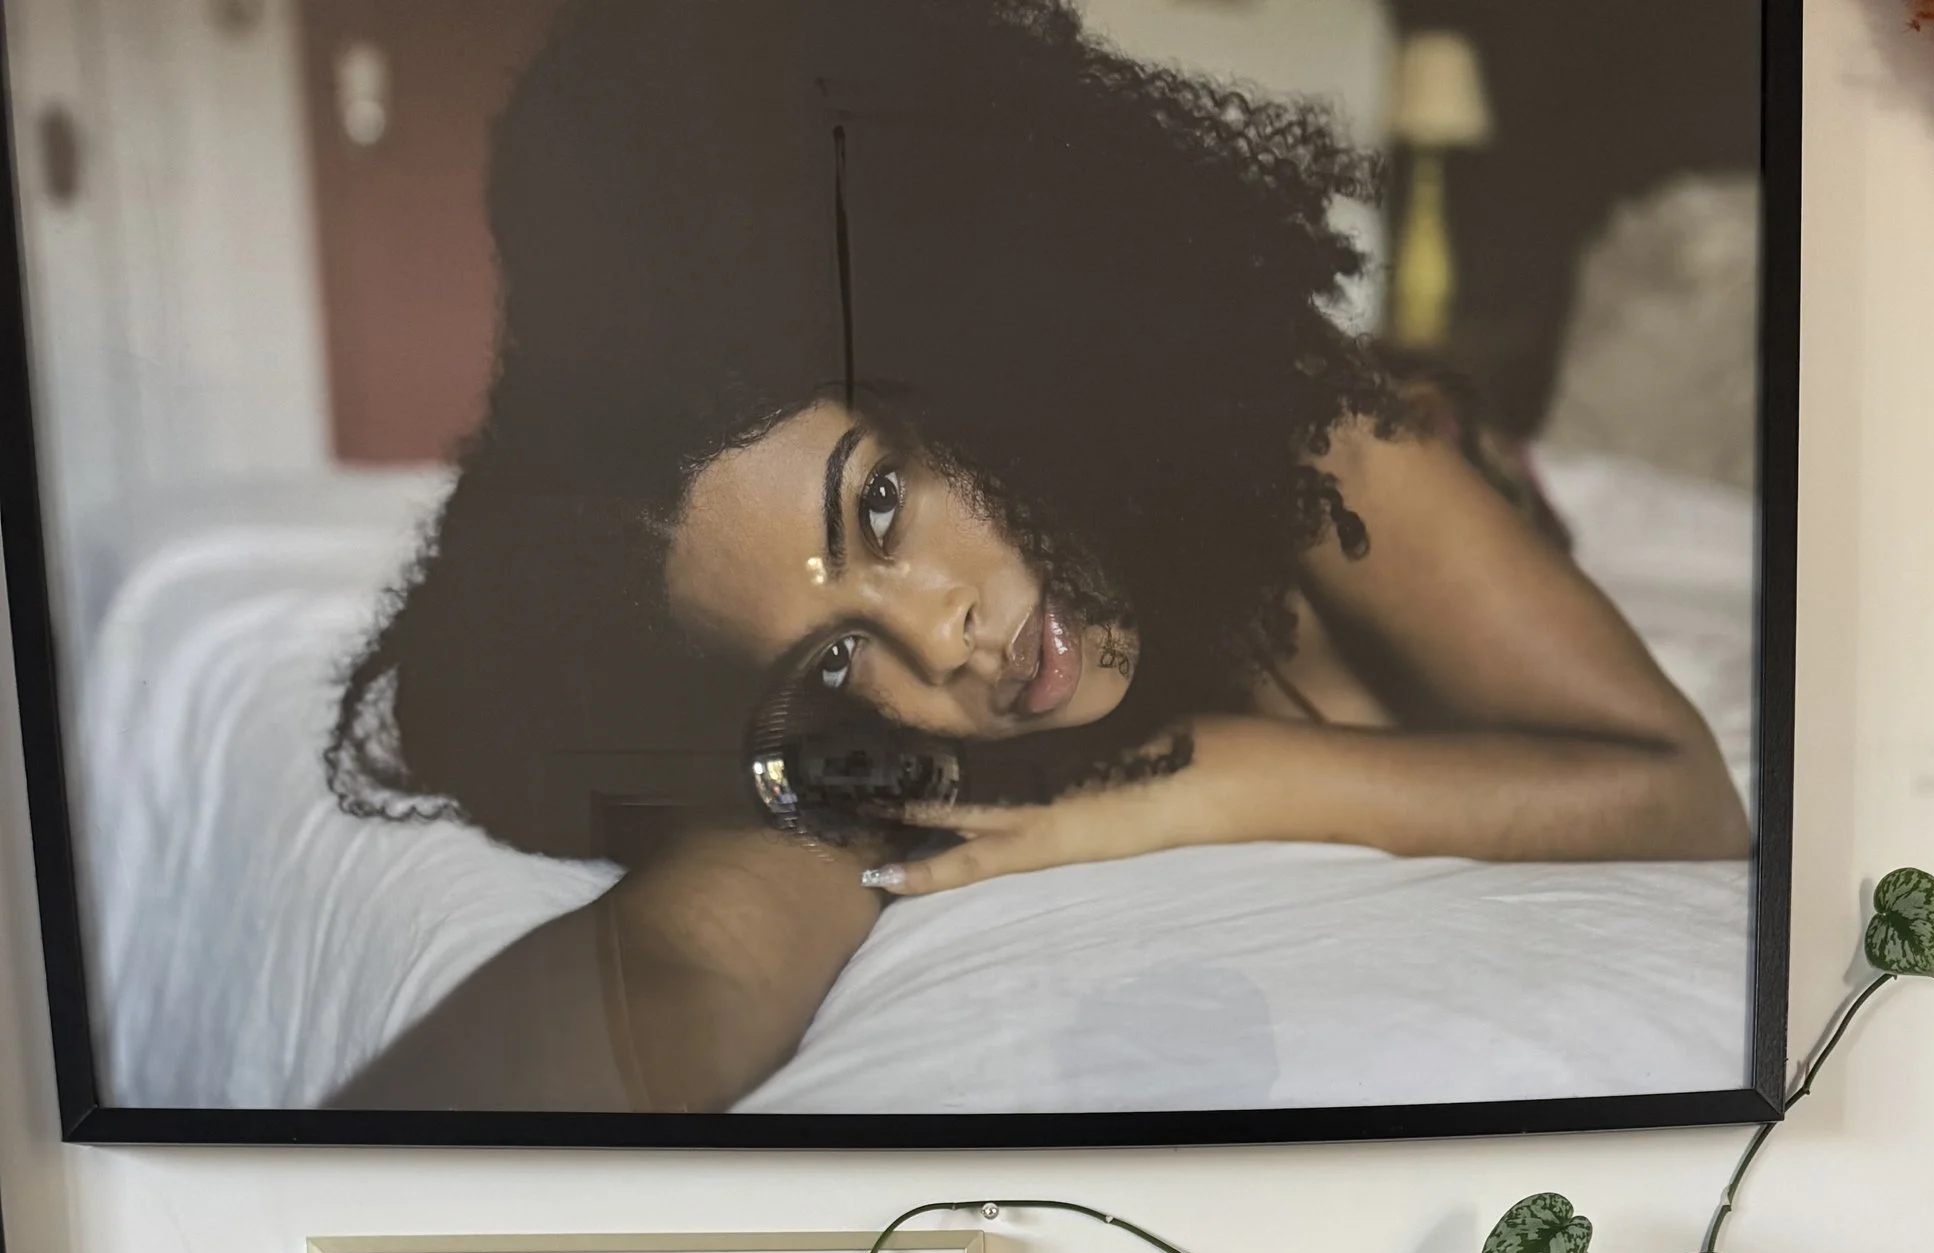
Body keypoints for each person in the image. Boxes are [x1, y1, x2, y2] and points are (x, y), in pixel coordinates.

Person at [322, 0, 1749, 1121]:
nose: (937, 640)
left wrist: (1192, 780)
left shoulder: (1307, 423)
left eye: (882, 505)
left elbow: (1683, 793)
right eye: (837, 653)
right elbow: (685, 956)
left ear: (971, 358)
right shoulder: (916, 730)